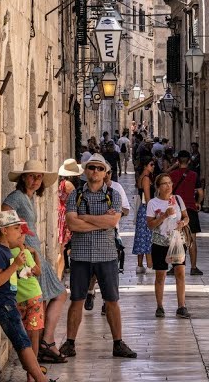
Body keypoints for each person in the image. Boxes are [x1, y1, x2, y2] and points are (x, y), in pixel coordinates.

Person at [61, 154, 138, 359]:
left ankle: (118, 343)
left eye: (100, 168)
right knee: (77, 299)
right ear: (85, 171)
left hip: (107, 255)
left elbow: (112, 222)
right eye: (92, 167)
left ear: (106, 173)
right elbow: (72, 224)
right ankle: (70, 343)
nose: (95, 171)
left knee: (112, 300)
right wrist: (100, 221)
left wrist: (85, 218)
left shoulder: (114, 195)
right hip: (80, 255)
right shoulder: (75, 195)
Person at [2, 161, 69, 365]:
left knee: (47, 298)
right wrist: (18, 247)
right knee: (49, 297)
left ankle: (44, 343)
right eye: (32, 176)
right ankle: (44, 345)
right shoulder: (16, 198)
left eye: (39, 177)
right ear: (23, 177)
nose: (36, 180)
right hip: (26, 254)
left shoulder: (29, 198)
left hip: (34, 254)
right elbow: (4, 222)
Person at [0, 210, 56, 382]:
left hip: (9, 302)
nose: (20, 232)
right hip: (3, 304)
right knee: (23, 343)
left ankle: (38, 377)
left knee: (23, 342)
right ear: (4, 230)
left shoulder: (7, 251)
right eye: (16, 228)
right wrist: (16, 265)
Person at [146, 173, 191, 319]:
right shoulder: (153, 203)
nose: (168, 186)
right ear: (158, 187)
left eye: (170, 183)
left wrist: (183, 223)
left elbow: (186, 217)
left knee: (180, 272)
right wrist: (164, 215)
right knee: (161, 275)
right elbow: (150, 225)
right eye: (164, 183)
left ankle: (181, 306)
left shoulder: (177, 199)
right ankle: (160, 306)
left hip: (177, 240)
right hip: (160, 242)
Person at [167, 150, 204, 275]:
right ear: (189, 161)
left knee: (176, 239)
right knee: (192, 240)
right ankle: (193, 267)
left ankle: (175, 267)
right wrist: (198, 203)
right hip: (190, 209)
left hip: (176, 211)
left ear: (178, 161)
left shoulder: (172, 175)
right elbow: (200, 193)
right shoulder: (194, 175)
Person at [56, 159, 83, 277]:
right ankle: (59, 273)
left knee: (63, 246)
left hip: (62, 214)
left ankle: (62, 272)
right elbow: (77, 201)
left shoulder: (62, 183)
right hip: (67, 215)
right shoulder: (69, 185)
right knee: (64, 247)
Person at [131, 156, 156, 274]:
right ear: (146, 166)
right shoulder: (146, 178)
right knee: (148, 237)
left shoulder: (141, 177)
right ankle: (150, 265)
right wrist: (153, 211)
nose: (153, 167)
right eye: (151, 164)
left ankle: (140, 265)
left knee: (141, 236)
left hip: (142, 210)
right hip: (146, 209)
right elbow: (147, 197)